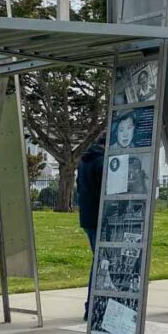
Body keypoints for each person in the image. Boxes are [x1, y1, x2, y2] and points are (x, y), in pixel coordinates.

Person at [77, 133, 106, 320]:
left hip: (88, 218)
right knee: (102, 263)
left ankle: (93, 306)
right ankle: (94, 306)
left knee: (99, 261)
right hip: (101, 218)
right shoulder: (102, 162)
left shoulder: (85, 161)